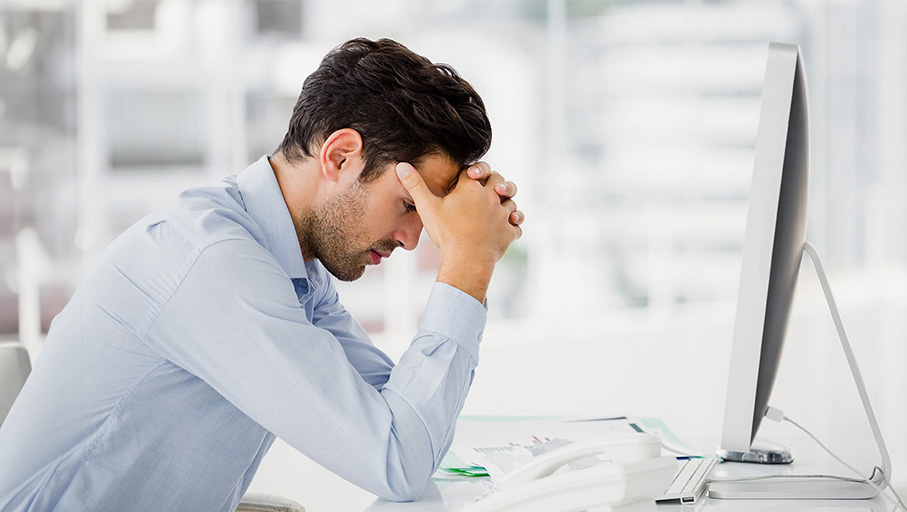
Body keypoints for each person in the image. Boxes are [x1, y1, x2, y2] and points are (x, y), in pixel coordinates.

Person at [0, 38, 523, 511]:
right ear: (341, 156)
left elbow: (410, 423)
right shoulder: (213, 261)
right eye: (409, 205)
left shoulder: (295, 269)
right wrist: (468, 261)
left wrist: (469, 247)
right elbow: (397, 459)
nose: (413, 239)